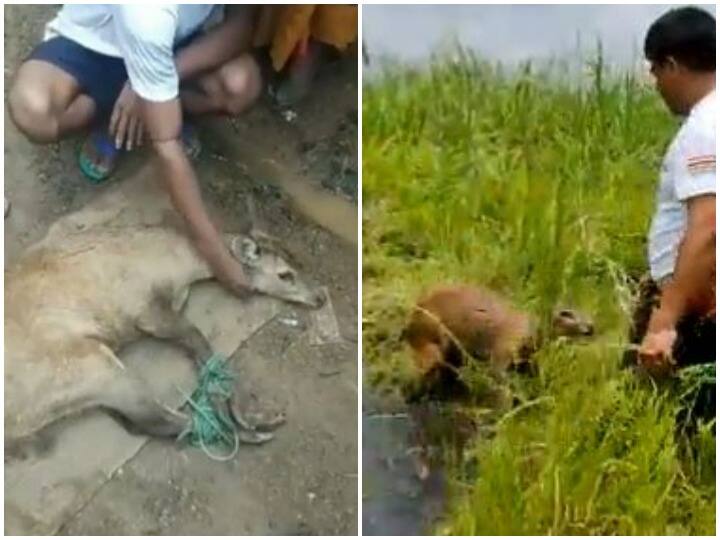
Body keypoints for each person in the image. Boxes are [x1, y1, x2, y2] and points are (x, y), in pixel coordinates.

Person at [7, 5, 262, 294]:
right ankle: (115, 117)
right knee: (33, 110)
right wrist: (215, 253)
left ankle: (154, 106)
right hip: (97, 42)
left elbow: (241, 26)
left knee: (241, 85)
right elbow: (166, 146)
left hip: (176, 43)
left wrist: (157, 77)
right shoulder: (147, 13)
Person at [632, 7, 715, 379]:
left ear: (671, 66)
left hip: (699, 316)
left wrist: (664, 321)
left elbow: (708, 227)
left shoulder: (704, 129)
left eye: (654, 70)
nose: (655, 83)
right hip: (696, 303)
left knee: (684, 426)